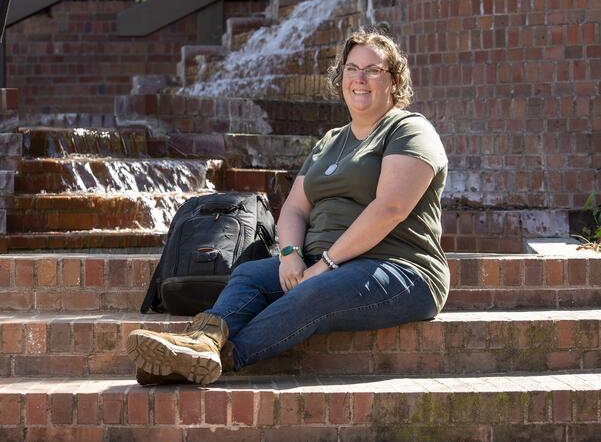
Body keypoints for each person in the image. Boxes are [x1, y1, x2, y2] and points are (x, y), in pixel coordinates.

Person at [126, 27, 449, 386]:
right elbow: (295, 206)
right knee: (250, 275)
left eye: (373, 69)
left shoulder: (409, 129)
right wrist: (291, 254)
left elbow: (391, 208)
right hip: (322, 263)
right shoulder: (331, 141)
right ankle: (200, 341)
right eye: (351, 68)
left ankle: (219, 357)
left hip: (400, 268)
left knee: (315, 291)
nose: (360, 78)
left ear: (393, 80)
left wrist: (326, 264)